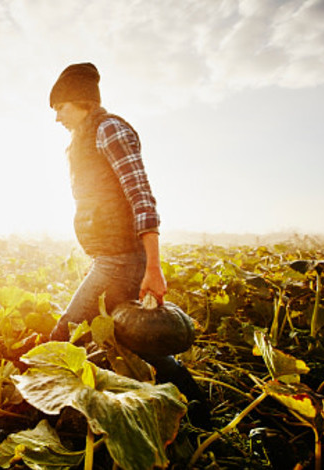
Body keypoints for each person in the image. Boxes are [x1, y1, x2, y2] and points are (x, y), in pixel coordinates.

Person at [47, 63, 210, 426]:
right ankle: (196, 405)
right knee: (131, 339)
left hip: (120, 259)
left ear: (82, 102)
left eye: (60, 107)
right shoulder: (82, 140)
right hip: (109, 256)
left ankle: (48, 415)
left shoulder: (110, 130)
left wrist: (153, 267)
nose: (56, 117)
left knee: (65, 335)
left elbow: (141, 197)